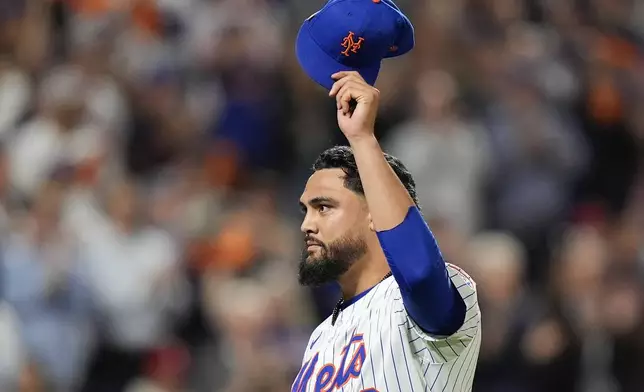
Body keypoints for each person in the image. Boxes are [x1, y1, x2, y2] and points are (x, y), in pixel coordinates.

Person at [293, 71, 481, 391]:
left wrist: (363, 138)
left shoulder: (424, 298)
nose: (306, 224)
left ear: (373, 214)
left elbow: (420, 273)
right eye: (306, 210)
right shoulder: (319, 339)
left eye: (324, 207)